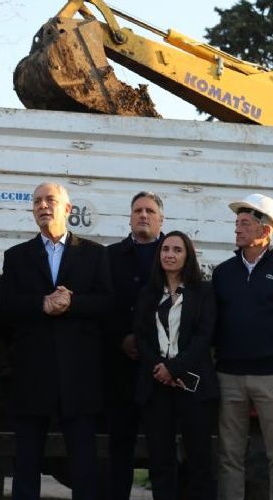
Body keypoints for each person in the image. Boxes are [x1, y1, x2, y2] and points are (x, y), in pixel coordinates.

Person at [0, 182, 113, 500]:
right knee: (26, 465)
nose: (43, 206)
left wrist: (72, 303)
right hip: (33, 375)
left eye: (50, 200)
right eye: (37, 201)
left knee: (84, 467)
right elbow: (6, 308)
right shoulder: (17, 256)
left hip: (79, 376)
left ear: (67, 209)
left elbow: (106, 305)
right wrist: (42, 303)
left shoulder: (95, 254)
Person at [212, 193, 273, 500]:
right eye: (237, 223)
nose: (237, 229)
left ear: (265, 230)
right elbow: (214, 323)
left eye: (244, 223)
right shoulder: (223, 273)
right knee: (229, 456)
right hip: (229, 376)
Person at [134, 231, 217, 500]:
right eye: (165, 249)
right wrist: (160, 367)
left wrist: (175, 368)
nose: (170, 254)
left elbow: (204, 337)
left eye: (177, 250)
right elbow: (142, 338)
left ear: (187, 255)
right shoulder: (147, 293)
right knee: (161, 461)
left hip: (193, 384)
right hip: (156, 385)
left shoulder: (203, 292)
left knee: (199, 461)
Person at [105, 191, 165, 500]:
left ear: (161, 219)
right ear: (129, 218)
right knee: (120, 446)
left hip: (161, 370)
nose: (143, 215)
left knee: (162, 448)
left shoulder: (174, 255)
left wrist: (146, 343)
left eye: (150, 211)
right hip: (121, 367)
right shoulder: (111, 256)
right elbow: (104, 304)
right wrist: (121, 338)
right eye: (138, 210)